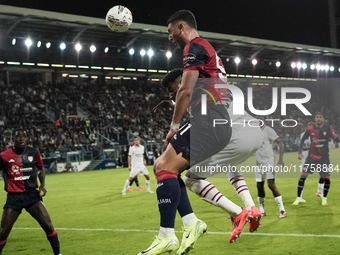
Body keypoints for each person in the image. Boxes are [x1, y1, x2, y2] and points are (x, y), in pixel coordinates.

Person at [139, 10, 245, 255]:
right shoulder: (207, 50)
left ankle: (167, 235)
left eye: (169, 32)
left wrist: (173, 127)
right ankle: (190, 223)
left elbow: (185, 89)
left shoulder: (194, 47)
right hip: (216, 122)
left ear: (180, 26)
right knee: (167, 169)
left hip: (209, 122)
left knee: (163, 167)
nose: (169, 37)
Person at [154, 68, 263, 236]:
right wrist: (172, 103)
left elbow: (187, 96)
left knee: (189, 178)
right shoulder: (209, 88)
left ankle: (237, 213)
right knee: (229, 165)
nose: (170, 94)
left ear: (182, 81)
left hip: (234, 135)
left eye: (171, 90)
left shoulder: (196, 93)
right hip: (254, 134)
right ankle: (251, 207)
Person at [0, 128, 60, 255]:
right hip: (14, 197)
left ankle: (58, 254)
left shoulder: (34, 152)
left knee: (48, 226)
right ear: (12, 139)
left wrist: (42, 185)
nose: (22, 138)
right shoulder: (4, 156)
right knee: (3, 232)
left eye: (24, 136)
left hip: (32, 196)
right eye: (18, 136)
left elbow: (41, 168)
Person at [293, 112, 340, 206]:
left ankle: (324, 198)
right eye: (317, 117)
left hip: (324, 159)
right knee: (303, 177)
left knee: (327, 178)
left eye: (320, 117)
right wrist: (299, 152)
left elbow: (336, 138)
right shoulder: (310, 129)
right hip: (312, 158)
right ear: (315, 119)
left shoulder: (328, 129)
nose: (318, 119)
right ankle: (298, 198)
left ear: (323, 119)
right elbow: (302, 140)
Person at [255, 125, 287, 218]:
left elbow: (280, 142)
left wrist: (281, 159)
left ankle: (282, 211)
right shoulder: (253, 131)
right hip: (259, 162)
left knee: (271, 184)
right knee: (259, 185)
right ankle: (262, 211)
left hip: (269, 160)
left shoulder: (268, 130)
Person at [299, 120, 325, 200]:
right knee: (303, 176)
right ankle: (299, 196)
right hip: (307, 156)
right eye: (309, 125)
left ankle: (319, 191)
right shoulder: (303, 135)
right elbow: (302, 147)